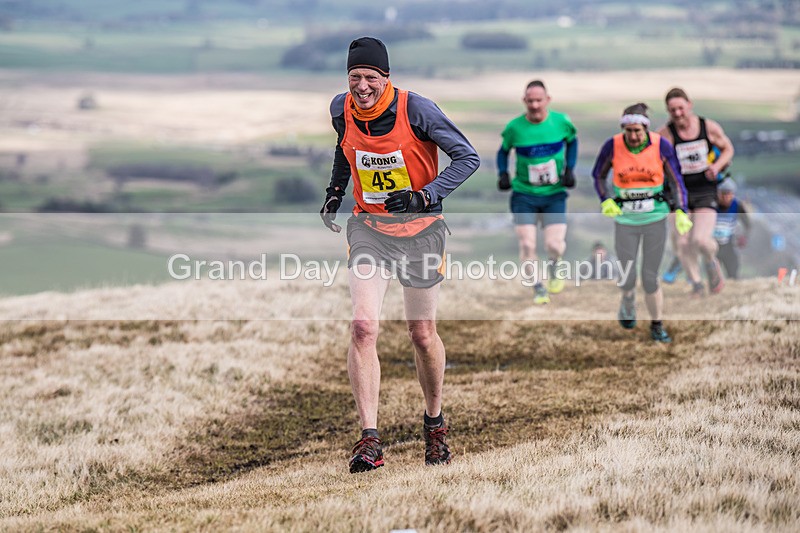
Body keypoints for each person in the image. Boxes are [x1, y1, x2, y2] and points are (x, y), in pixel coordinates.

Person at [320, 37, 479, 473]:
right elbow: (345, 148)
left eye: (371, 77)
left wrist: (423, 197)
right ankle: (369, 439)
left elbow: (467, 158)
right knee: (362, 326)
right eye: (355, 77)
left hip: (421, 232)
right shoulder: (340, 109)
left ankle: (435, 424)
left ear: (386, 77)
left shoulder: (417, 109)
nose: (362, 86)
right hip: (369, 229)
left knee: (421, 334)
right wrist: (335, 191)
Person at [592, 103, 692, 343]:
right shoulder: (612, 146)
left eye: (637, 130)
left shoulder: (661, 146)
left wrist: (681, 210)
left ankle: (657, 325)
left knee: (649, 276)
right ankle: (628, 298)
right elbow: (598, 175)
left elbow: (676, 180)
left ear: (646, 128)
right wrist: (606, 199)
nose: (633, 136)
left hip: (654, 218)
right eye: (628, 131)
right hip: (625, 220)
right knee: (627, 274)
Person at [496, 80, 578, 304]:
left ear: (547, 100)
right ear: (524, 101)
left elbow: (573, 142)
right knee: (527, 244)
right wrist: (503, 173)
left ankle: (555, 265)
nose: (534, 105)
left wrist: (570, 169)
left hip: (554, 194)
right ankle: (538, 287)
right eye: (530, 101)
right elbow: (503, 152)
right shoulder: (514, 128)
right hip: (524, 194)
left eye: (538, 100)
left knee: (554, 245)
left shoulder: (561, 122)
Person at [657, 87, 734, 296]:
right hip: (677, 193)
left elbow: (728, 149)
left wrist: (717, 166)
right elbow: (656, 161)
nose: (677, 113)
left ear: (689, 105)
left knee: (700, 240)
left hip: (704, 190)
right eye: (672, 110)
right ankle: (697, 284)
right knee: (683, 242)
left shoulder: (707, 127)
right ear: (668, 110)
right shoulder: (665, 134)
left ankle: (711, 262)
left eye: (681, 108)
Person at [714, 178, 750, 279]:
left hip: (728, 244)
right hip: (713, 245)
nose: (726, 198)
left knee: (733, 272)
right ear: (718, 194)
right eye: (723, 194)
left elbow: (747, 224)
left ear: (733, 194)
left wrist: (744, 236)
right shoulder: (712, 205)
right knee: (714, 275)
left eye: (729, 194)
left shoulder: (737, 205)